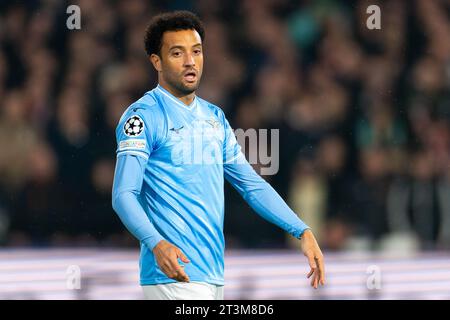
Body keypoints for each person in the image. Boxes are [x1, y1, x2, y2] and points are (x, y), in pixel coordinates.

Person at [112, 10, 325, 300]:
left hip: (211, 275)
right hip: (172, 275)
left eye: (196, 51)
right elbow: (124, 194)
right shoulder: (143, 116)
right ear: (156, 62)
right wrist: (156, 243)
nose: (190, 61)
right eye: (177, 53)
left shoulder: (214, 118)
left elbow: (251, 185)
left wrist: (302, 230)